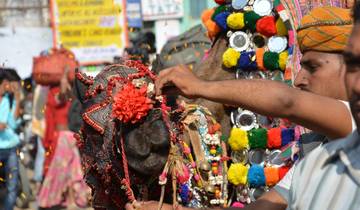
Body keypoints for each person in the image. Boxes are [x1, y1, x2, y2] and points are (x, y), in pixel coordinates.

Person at [126, 6, 356, 210]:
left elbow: (287, 102)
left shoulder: (354, 126)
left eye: (313, 67)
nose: (299, 80)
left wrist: (201, 86)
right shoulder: (314, 157)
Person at [37, 69, 89, 209]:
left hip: (71, 137)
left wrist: (66, 80)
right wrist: (63, 81)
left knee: (73, 170)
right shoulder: (53, 93)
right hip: (61, 139)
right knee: (64, 169)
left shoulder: (73, 94)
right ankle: (64, 198)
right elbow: (58, 99)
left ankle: (71, 198)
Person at [0, 70, 20, 210]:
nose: (7, 86)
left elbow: (13, 124)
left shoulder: (9, 99)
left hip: (11, 147)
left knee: (12, 186)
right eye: (4, 84)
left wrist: (18, 99)